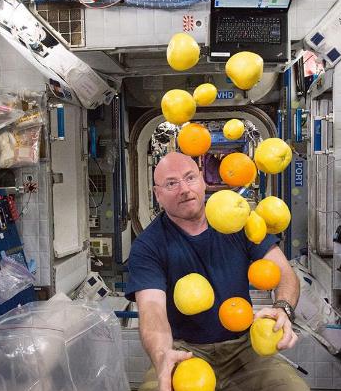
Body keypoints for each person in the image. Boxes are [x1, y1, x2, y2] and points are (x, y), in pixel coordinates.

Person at [125, 152, 309, 391]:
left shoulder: (240, 222)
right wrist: (162, 356)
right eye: (171, 183)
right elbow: (152, 309)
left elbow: (284, 273)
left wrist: (283, 308)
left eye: (190, 178)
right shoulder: (148, 245)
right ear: (157, 194)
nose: (184, 189)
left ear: (203, 180)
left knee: (292, 388)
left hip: (245, 347)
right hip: (183, 350)